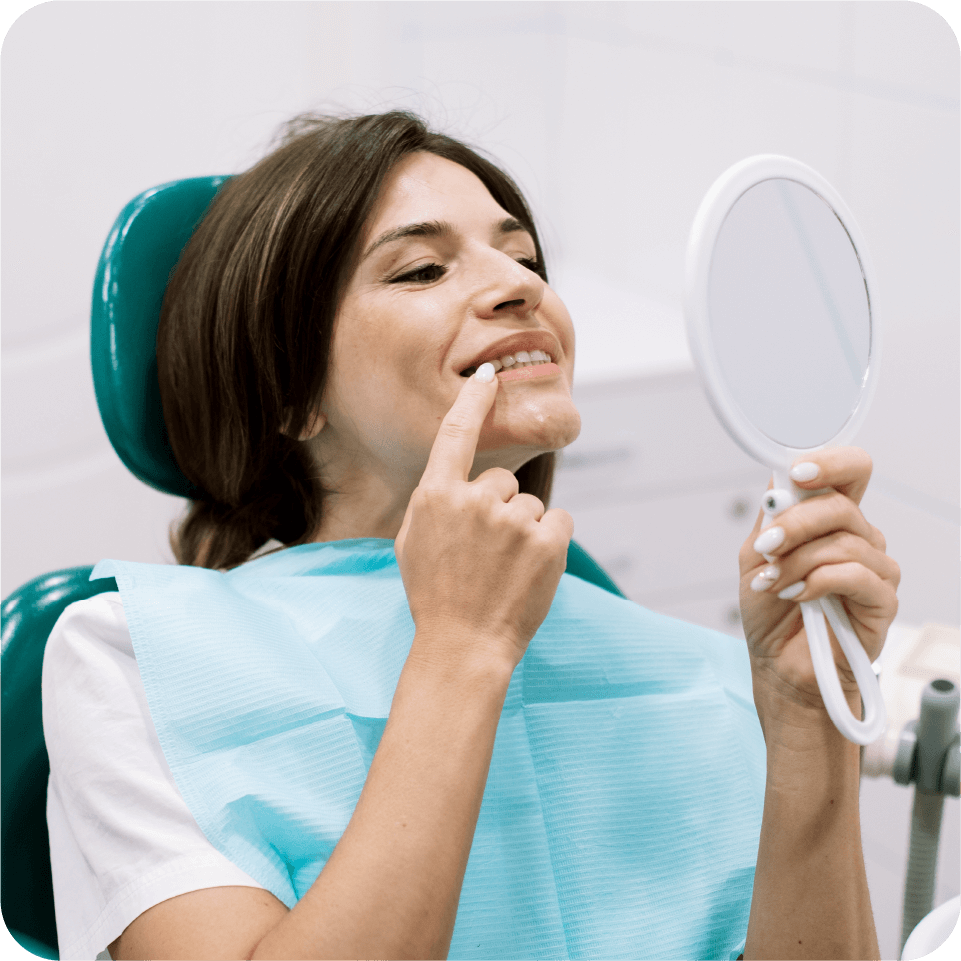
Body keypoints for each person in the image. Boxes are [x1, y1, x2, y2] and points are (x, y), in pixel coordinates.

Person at [41, 111, 900, 961]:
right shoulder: (126, 660)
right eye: (419, 269)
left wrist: (803, 726)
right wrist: (459, 649)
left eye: (523, 256)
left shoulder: (711, 674)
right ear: (289, 394)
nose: (519, 285)